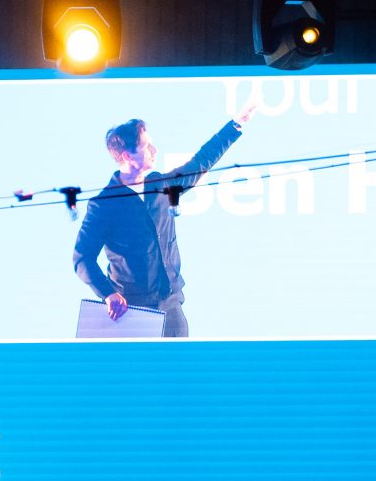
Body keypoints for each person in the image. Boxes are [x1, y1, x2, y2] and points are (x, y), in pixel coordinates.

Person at [72, 101, 255, 337]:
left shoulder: (160, 184)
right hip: (132, 310)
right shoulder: (104, 204)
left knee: (180, 370)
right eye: (147, 146)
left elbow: (199, 163)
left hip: (171, 304)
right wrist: (108, 293)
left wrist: (235, 125)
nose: (155, 150)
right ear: (127, 155)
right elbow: (82, 258)